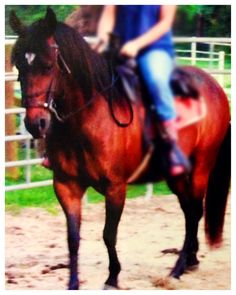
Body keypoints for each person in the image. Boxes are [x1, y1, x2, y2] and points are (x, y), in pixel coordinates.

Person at [96, 5, 190, 177]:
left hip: (155, 49)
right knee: (85, 76)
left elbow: (165, 23)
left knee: (156, 80)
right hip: (119, 48)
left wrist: (136, 44)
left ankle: (171, 146)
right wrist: (103, 39)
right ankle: (65, 146)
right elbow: (109, 15)